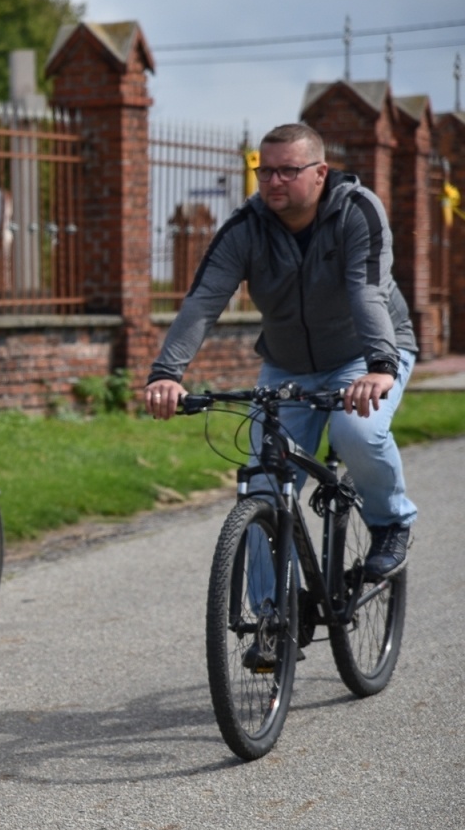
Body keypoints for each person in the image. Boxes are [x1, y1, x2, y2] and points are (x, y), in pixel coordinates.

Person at [143, 122, 417, 579]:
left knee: (356, 433)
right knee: (263, 488)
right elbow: (203, 301)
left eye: (287, 171)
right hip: (288, 364)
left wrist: (381, 366)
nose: (273, 182)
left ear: (320, 173)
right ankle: (271, 629)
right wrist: (166, 374)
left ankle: (391, 522)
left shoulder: (357, 212)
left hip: (366, 355)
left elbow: (366, 293)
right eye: (264, 171)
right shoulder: (245, 227)